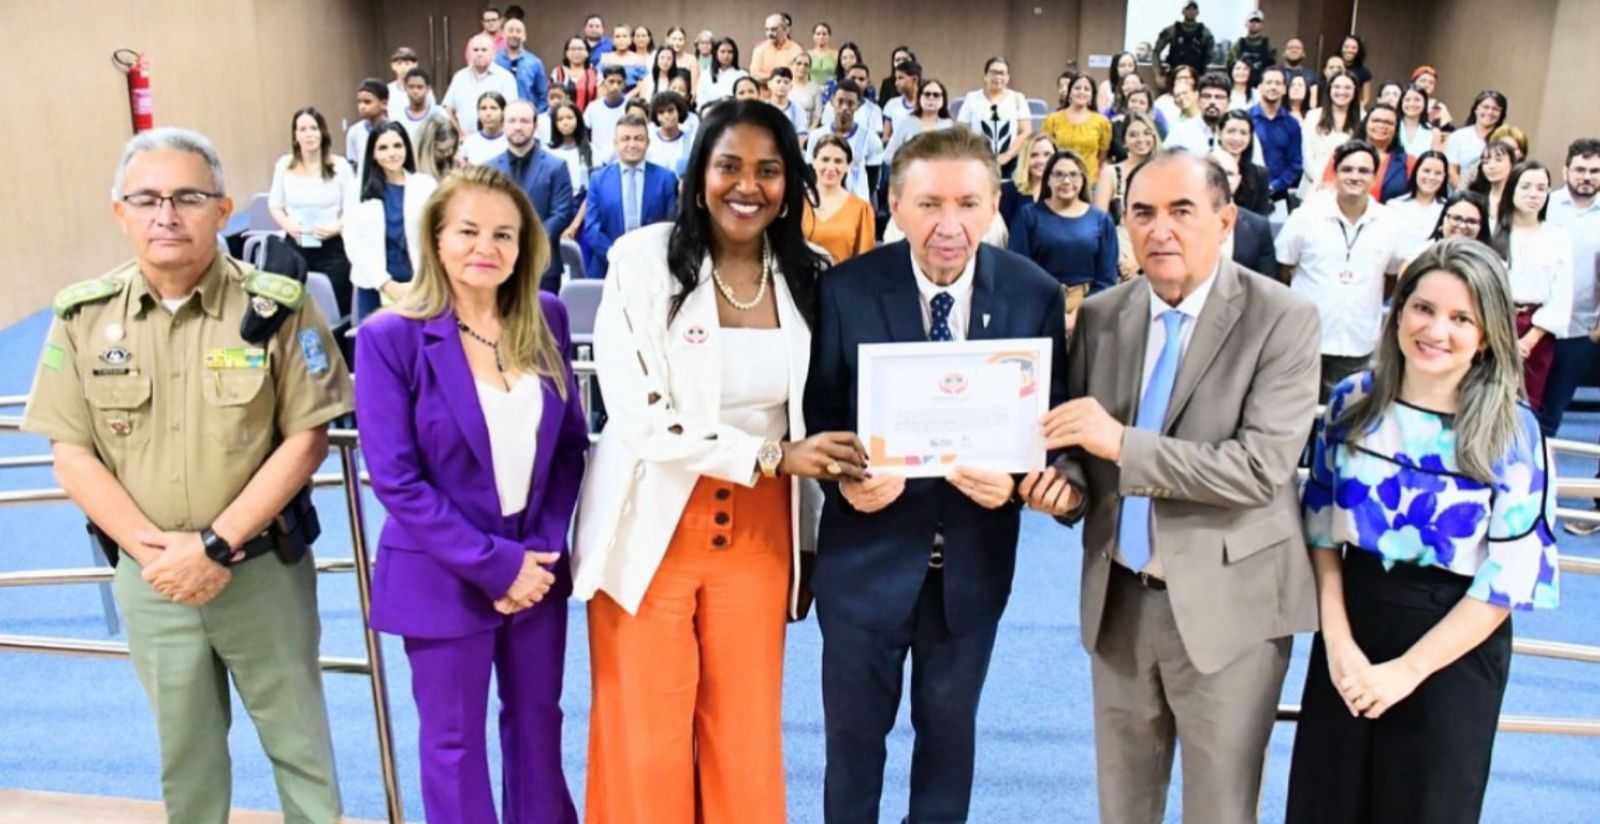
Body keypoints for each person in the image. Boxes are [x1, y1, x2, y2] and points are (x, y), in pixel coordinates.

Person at [23, 126, 349, 824]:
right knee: (186, 759)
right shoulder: (83, 316)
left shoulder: (277, 308)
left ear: (224, 209)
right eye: (145, 198)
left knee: (301, 751)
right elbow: (71, 453)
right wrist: (156, 554)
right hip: (153, 582)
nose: (165, 214)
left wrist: (213, 546)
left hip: (261, 571)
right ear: (120, 211)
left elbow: (307, 440)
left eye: (187, 197)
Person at [573, 99, 862, 824]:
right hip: (651, 523)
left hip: (761, 535)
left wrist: (812, 542)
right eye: (729, 164)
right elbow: (640, 417)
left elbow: (823, 412)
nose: (748, 185)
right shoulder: (640, 260)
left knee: (744, 737)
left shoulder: (810, 274)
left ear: (790, 182)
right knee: (647, 737)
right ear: (700, 171)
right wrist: (772, 454)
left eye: (769, 170)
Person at [1021, 147, 1319, 824]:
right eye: (1142, 212)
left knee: (1219, 809)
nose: (1161, 229)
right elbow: (1082, 451)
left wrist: (1120, 445)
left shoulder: (1283, 319)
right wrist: (1064, 489)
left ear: (1224, 220)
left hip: (1229, 607)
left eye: (1181, 211)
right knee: (1123, 807)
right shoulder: (1103, 316)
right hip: (1120, 602)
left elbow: (1257, 469)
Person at [804, 125, 1068, 824]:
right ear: (894, 203)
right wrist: (844, 480)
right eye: (928, 205)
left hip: (972, 567)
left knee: (949, 746)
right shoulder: (846, 289)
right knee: (853, 751)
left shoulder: (1033, 294)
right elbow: (819, 416)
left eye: (968, 204)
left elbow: (1052, 423)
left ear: (995, 204)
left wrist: (1020, 482)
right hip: (865, 563)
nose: (949, 226)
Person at [1286, 238, 1559, 824]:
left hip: (1451, 649)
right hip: (1351, 630)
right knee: (1325, 804)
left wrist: (1407, 672)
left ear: (1488, 334)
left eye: (1462, 318)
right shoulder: (1352, 402)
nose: (1436, 330)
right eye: (1424, 309)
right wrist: (1338, 647)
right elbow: (1320, 529)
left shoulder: (1513, 432)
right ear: (1399, 311)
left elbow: (1509, 579)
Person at [356, 164, 587, 824]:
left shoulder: (546, 317)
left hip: (536, 571)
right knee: (454, 746)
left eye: (504, 235)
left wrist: (538, 552)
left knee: (538, 727)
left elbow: (570, 444)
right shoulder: (388, 337)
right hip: (443, 572)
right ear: (434, 239)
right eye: (468, 231)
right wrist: (496, 565)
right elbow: (397, 479)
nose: (487, 248)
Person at [1278, 140, 1402, 398]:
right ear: (1335, 172)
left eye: (1363, 171)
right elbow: (1283, 268)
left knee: (1346, 418)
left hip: (1359, 340)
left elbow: (1390, 276)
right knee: (1297, 414)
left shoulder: (1389, 222)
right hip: (1307, 339)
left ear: (1375, 175)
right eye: (1347, 169)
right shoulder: (1307, 215)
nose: (1355, 177)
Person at [1493, 161, 1572, 411]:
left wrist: (1528, 341)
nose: (1533, 194)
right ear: (1512, 189)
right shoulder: (1494, 231)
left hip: (1535, 331)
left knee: (1524, 406)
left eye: (1541, 188)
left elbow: (1561, 295)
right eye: (1526, 186)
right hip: (1493, 323)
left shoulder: (1557, 236)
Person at [1010, 149, 1119, 326]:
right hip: (1041, 306)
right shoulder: (1028, 216)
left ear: (1083, 180)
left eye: (1073, 175)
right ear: (1049, 180)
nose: (1066, 181)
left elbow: (1107, 279)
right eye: (1059, 175)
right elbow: (1020, 271)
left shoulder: (1101, 220)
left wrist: (1078, 314)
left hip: (1090, 306)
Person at [345, 122, 439, 319]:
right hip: (372, 284)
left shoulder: (425, 185)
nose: (392, 153)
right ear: (373, 153)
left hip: (418, 284)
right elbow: (353, 241)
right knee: (376, 346)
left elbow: (436, 234)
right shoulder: (356, 189)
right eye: (383, 148)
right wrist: (385, 283)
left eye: (398, 145)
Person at [270, 107, 357, 319]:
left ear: (322, 132)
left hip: (333, 247)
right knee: (296, 309)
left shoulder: (340, 166)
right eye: (302, 129)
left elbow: (354, 207)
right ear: (295, 135)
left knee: (335, 307)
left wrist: (336, 227)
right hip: (296, 244)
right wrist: (289, 226)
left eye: (314, 128)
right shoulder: (284, 165)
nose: (309, 134)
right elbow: (275, 205)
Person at [1540, 139, 1600, 441]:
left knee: (1553, 410)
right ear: (1566, 171)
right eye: (1580, 169)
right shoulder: (1545, 205)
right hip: (1538, 326)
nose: (1586, 176)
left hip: (1580, 330)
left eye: (1594, 171)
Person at [486, 99, 575, 292]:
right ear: (503, 124)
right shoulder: (488, 169)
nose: (518, 127)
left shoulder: (556, 166)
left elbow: (562, 213)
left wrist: (530, 240)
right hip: (498, 262)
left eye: (525, 121)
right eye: (512, 121)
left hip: (543, 264)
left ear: (535, 126)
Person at [579, 115, 677, 279]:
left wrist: (646, 258)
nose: (632, 144)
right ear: (615, 143)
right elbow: (592, 228)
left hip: (653, 269)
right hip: (607, 267)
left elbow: (671, 225)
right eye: (625, 139)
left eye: (638, 139)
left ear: (648, 143)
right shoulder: (598, 179)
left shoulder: (666, 178)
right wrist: (616, 256)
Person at [1095, 111, 1160, 279]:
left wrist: (1140, 261)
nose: (1141, 140)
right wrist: (1119, 259)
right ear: (1124, 142)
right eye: (1133, 135)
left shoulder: (1165, 171)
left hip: (1157, 249)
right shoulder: (1111, 173)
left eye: (1146, 133)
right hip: (1120, 250)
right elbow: (1099, 224)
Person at [806, 79, 885, 206]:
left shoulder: (871, 139)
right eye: (840, 101)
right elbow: (811, 171)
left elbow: (872, 177)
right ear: (832, 101)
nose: (844, 108)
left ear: (858, 105)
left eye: (850, 103)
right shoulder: (817, 136)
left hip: (856, 204)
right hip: (823, 204)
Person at [802, 134, 876, 264]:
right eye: (825, 159)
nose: (831, 168)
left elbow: (865, 263)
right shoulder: (796, 203)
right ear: (814, 162)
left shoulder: (861, 210)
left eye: (838, 161)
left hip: (844, 283)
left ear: (848, 166)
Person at [956, 56, 1032, 178]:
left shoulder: (1017, 98)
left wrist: (1008, 155)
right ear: (985, 76)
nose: (998, 77)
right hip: (978, 160)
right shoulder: (972, 98)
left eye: (1002, 73)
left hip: (1010, 162)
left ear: (1008, 77)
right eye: (993, 73)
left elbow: (1025, 131)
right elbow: (961, 130)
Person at [1210, 149, 1276, 275]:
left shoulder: (1258, 227)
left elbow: (1266, 284)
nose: (1223, 179)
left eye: (1229, 174)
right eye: (1216, 172)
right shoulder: (1183, 223)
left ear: (1238, 180)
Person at [1041, 72, 1114, 187]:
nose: (1081, 92)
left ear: (1092, 95)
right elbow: (1045, 151)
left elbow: (1102, 154)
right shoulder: (1053, 120)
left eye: (1086, 89)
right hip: (1059, 180)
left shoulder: (1102, 122)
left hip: (1090, 182)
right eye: (1077, 88)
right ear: (1069, 93)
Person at [1300, 71, 1360, 199]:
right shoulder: (1313, 116)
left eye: (1347, 87)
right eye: (1337, 87)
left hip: (1349, 190)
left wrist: (1341, 183)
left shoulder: (1363, 119)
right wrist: (1327, 182)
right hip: (1314, 188)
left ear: (1355, 91)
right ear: (1329, 89)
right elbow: (1307, 157)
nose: (1341, 92)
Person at [443, 34, 520, 133]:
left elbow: (511, 112)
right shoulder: (459, 77)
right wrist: (458, 133)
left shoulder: (506, 78)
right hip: (463, 140)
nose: (479, 53)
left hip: (495, 140)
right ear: (469, 53)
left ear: (493, 53)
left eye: (484, 50)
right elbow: (447, 109)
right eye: (475, 50)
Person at [1251, 66, 1304, 209]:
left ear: (1284, 89)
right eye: (1268, 83)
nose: (1273, 87)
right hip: (1247, 194)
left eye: (1278, 83)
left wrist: (1273, 186)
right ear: (1260, 87)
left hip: (1279, 196)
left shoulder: (1292, 124)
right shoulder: (1246, 118)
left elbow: (1296, 163)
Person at [1389, 150, 1451, 260]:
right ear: (1416, 171)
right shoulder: (1394, 206)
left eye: (1438, 173)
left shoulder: (1449, 209)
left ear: (1444, 177)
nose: (1431, 177)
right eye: (1426, 171)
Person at [1350, 103, 1414, 202]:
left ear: (1396, 129)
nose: (1381, 125)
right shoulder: (1343, 155)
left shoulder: (1409, 162)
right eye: (1376, 120)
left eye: (1388, 123)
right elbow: (1327, 190)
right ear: (1365, 124)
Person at [1445, 90, 1508, 190]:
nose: (1489, 112)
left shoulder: (1504, 139)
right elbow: (1451, 171)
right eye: (1485, 107)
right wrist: (1465, 193)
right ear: (1476, 109)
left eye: (1495, 109)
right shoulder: (1459, 136)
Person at [885, 78, 953, 162]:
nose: (931, 98)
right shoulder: (907, 122)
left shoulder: (949, 126)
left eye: (936, 95)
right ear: (919, 97)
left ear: (943, 100)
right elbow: (889, 155)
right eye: (927, 94)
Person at [1216, 110, 1271, 215]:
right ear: (1219, 133)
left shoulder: (1260, 175)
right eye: (1231, 131)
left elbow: (1261, 218)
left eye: (1243, 133)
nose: (1237, 138)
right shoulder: (1204, 168)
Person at [1165, 72, 1230, 155]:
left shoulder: (1235, 134)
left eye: (1219, 97)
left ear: (1229, 102)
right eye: (1207, 96)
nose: (1212, 102)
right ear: (1198, 100)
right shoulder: (1181, 132)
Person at [1002, 132, 1058, 227]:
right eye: (1034, 155)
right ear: (1025, 159)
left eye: (1047, 154)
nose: (1041, 161)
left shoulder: (1065, 190)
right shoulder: (1007, 191)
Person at [496, 16, 548, 112]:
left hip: (526, 117)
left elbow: (543, 96)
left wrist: (535, 115)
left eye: (518, 31)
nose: (514, 35)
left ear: (524, 36)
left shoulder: (535, 63)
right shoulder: (494, 61)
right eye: (510, 31)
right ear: (503, 34)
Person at [1154, 1, 1216, 81]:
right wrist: (1158, 74)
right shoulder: (1172, 30)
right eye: (1188, 9)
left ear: (1197, 12)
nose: (1191, 11)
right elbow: (1156, 52)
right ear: (1182, 11)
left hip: (1197, 77)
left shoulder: (1205, 32)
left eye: (1193, 9)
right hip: (1175, 76)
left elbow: (1210, 56)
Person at [585, 67, 630, 166]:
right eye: (611, 82)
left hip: (624, 161)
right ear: (604, 83)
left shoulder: (630, 107)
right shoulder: (593, 108)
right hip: (598, 162)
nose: (615, 86)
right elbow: (585, 135)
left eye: (619, 82)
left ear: (624, 84)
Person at [1468, 139, 1518, 229]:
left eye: (1498, 160)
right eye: (1486, 162)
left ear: (1512, 163)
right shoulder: (1474, 196)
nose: (1491, 166)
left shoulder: (1519, 197)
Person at [347, 78, 389, 171]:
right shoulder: (354, 132)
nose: (362, 107)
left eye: (367, 102)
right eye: (359, 102)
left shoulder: (394, 130)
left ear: (384, 104)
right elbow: (354, 164)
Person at [647, 91, 694, 174]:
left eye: (670, 110)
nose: (666, 116)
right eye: (661, 112)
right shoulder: (649, 140)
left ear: (679, 111)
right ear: (656, 116)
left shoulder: (691, 140)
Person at [750, 12, 804, 83]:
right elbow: (755, 75)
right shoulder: (759, 50)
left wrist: (768, 76)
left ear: (786, 30)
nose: (769, 33)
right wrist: (778, 77)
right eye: (767, 30)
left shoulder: (796, 50)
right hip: (764, 91)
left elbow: (796, 76)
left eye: (774, 29)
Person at [879, 61, 923, 146]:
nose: (896, 83)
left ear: (914, 79)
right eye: (896, 79)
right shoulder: (892, 104)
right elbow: (886, 136)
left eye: (900, 78)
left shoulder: (926, 105)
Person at [387, 47, 437, 121]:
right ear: (392, 66)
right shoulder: (387, 90)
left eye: (407, 64)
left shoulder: (424, 90)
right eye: (399, 64)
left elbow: (432, 114)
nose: (403, 68)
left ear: (415, 65)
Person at [552, 36, 600, 114]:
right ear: (566, 53)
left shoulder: (596, 73)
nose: (577, 52)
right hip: (562, 119)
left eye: (580, 49)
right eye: (573, 49)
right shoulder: (557, 73)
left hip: (588, 120)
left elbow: (599, 102)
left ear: (587, 53)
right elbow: (553, 99)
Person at [396, 68, 443, 145]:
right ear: (405, 87)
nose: (415, 91)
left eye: (420, 87)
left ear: (428, 89)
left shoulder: (438, 114)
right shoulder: (398, 117)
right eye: (411, 87)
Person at [462, 92, 509, 165]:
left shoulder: (510, 141)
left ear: (503, 112)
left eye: (493, 108)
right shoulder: (470, 142)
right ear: (478, 113)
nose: (488, 113)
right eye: (483, 108)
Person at [1229, 10, 1275, 85]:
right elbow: (1230, 65)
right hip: (1241, 84)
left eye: (1257, 21)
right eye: (1251, 21)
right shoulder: (1238, 44)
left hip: (1261, 85)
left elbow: (1272, 67)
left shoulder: (1269, 45)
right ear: (1246, 24)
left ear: (1262, 25)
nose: (1254, 24)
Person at [698, 37, 747, 108]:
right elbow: (701, 102)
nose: (726, 55)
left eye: (730, 52)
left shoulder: (742, 75)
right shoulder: (706, 75)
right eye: (722, 51)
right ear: (716, 53)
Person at [416, 113, 466, 179]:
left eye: (452, 147)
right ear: (426, 149)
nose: (448, 154)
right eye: (441, 151)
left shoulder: (453, 162)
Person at [1398, 84, 1440, 159]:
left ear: (1425, 103)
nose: (1412, 104)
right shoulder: (1393, 127)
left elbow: (1434, 161)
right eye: (1407, 100)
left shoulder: (1434, 132)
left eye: (1417, 100)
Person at [1339, 35, 1372, 106]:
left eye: (1354, 48)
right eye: (1346, 47)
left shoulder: (1364, 72)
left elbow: (1366, 99)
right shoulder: (1333, 66)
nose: (1349, 50)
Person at [808, 22, 838, 87]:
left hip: (831, 91)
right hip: (812, 90)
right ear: (813, 36)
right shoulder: (808, 55)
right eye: (818, 34)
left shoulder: (836, 55)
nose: (821, 36)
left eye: (824, 34)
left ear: (829, 36)